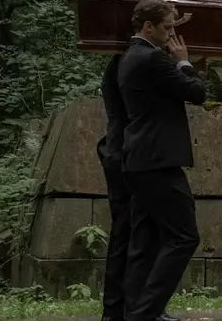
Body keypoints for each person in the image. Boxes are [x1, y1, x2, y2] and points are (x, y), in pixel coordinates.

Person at [117, 0, 207, 321]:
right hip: (157, 162)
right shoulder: (154, 60)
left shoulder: (129, 57)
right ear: (148, 26)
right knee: (185, 237)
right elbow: (197, 93)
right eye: (168, 28)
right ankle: (145, 314)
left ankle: (136, 312)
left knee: (145, 242)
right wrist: (184, 62)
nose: (172, 34)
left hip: (138, 161)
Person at [97, 54, 130, 321]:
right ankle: (117, 309)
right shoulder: (128, 64)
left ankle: (117, 308)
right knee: (127, 233)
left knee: (126, 232)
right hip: (125, 156)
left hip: (118, 151)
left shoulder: (119, 63)